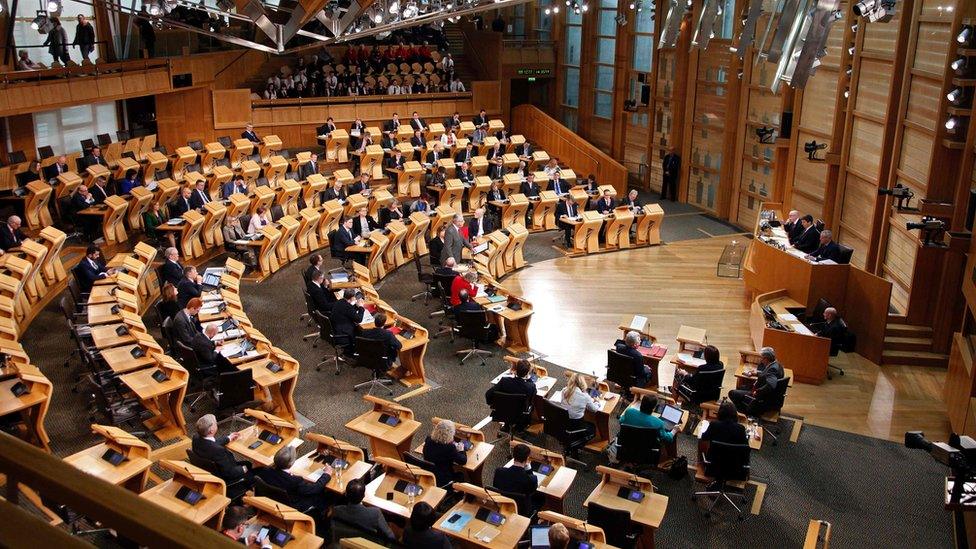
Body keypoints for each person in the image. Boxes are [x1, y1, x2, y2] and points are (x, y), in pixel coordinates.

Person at [254, 446, 332, 512]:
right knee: (325, 494)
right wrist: (327, 474)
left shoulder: (265, 471)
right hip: (295, 507)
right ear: (290, 463)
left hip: (273, 502)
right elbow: (315, 488)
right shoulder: (295, 481)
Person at [191, 414, 252, 483]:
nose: (217, 424)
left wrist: (229, 438)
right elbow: (229, 473)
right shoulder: (218, 450)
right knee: (252, 467)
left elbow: (211, 443)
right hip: (226, 478)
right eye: (215, 423)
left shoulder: (196, 437)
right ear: (211, 431)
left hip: (208, 471)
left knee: (247, 463)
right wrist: (245, 468)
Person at [699, 399, 749, 481]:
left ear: (720, 413)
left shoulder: (714, 425)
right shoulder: (741, 428)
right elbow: (746, 447)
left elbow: (704, 437)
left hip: (714, 465)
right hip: (735, 466)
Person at [618, 394, 678, 461]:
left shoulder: (629, 412)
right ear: (654, 408)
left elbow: (621, 421)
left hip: (627, 446)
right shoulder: (658, 422)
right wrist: (675, 430)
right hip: (647, 452)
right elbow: (667, 438)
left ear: (641, 403)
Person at [728, 347, 785, 416]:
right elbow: (767, 374)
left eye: (762, 358)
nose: (761, 360)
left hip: (761, 397)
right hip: (767, 394)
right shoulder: (777, 365)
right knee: (742, 387)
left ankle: (745, 412)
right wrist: (756, 373)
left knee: (732, 393)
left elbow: (771, 385)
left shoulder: (772, 369)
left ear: (766, 358)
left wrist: (757, 391)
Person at [491, 443, 539, 514]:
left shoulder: (499, 471)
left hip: (502, 504)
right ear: (527, 459)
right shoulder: (531, 479)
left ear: (513, 456)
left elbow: (495, 486)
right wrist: (528, 469)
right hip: (521, 510)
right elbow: (532, 490)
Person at [422, 419, 467, 487]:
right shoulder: (449, 448)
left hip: (429, 474)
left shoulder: (428, 440)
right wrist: (461, 450)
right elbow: (463, 461)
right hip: (443, 479)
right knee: (461, 475)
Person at [561, 373, 599, 441]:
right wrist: (597, 402)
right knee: (592, 427)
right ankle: (579, 441)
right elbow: (594, 409)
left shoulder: (564, 391)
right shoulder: (584, 396)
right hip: (576, 425)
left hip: (564, 424)